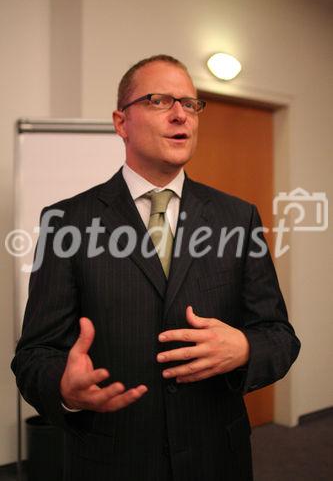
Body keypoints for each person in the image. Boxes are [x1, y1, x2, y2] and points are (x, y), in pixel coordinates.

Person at [12, 54, 300, 481]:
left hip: (217, 459)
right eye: (160, 100)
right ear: (121, 121)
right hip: (112, 462)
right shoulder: (67, 221)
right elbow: (34, 355)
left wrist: (244, 348)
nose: (181, 113)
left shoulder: (238, 218)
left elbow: (279, 335)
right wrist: (64, 387)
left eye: (190, 103)